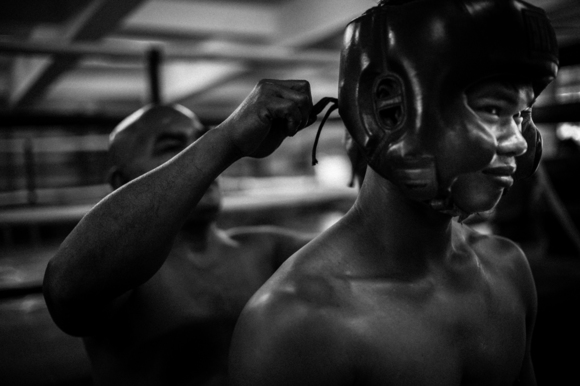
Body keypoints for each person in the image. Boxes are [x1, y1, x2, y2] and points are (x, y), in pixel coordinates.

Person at [228, 0, 559, 385]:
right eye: (492, 110)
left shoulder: (508, 267)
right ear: (389, 112)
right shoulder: (295, 321)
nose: (519, 143)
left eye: (521, 116)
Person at [42, 79, 321, 386]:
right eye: (173, 146)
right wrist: (226, 140)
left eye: (199, 140)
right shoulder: (126, 279)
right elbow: (66, 291)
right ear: (121, 181)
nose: (206, 159)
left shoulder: (267, 249)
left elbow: (373, 255)